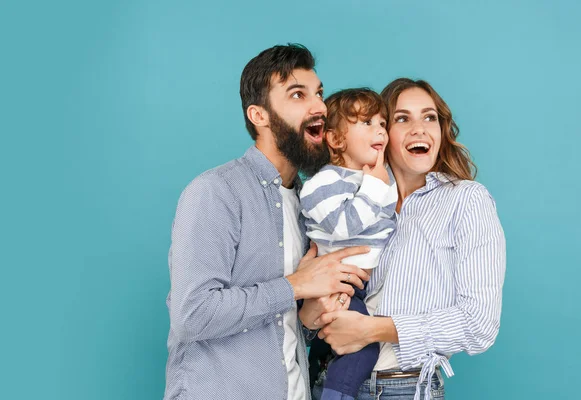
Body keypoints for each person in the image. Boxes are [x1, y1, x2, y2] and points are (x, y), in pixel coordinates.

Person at [164, 44, 370, 400]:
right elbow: (192, 315)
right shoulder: (215, 192)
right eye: (297, 94)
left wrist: (311, 314)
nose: (320, 106)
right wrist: (295, 286)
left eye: (318, 93)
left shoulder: (310, 205)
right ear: (259, 116)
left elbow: (284, 327)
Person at [303, 78, 506, 400]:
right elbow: (308, 312)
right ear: (380, 135)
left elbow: (478, 324)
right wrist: (311, 314)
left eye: (430, 117)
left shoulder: (466, 201)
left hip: (405, 388)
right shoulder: (342, 195)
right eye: (402, 118)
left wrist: (372, 330)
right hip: (326, 381)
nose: (419, 129)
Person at [299, 88, 398, 400]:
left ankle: (319, 374)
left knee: (337, 345)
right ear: (336, 140)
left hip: (364, 286)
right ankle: (335, 394)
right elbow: (343, 226)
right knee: (363, 348)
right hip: (337, 285)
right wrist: (375, 185)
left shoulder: (379, 177)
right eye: (366, 123)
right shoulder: (322, 183)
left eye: (382, 123)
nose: (379, 130)